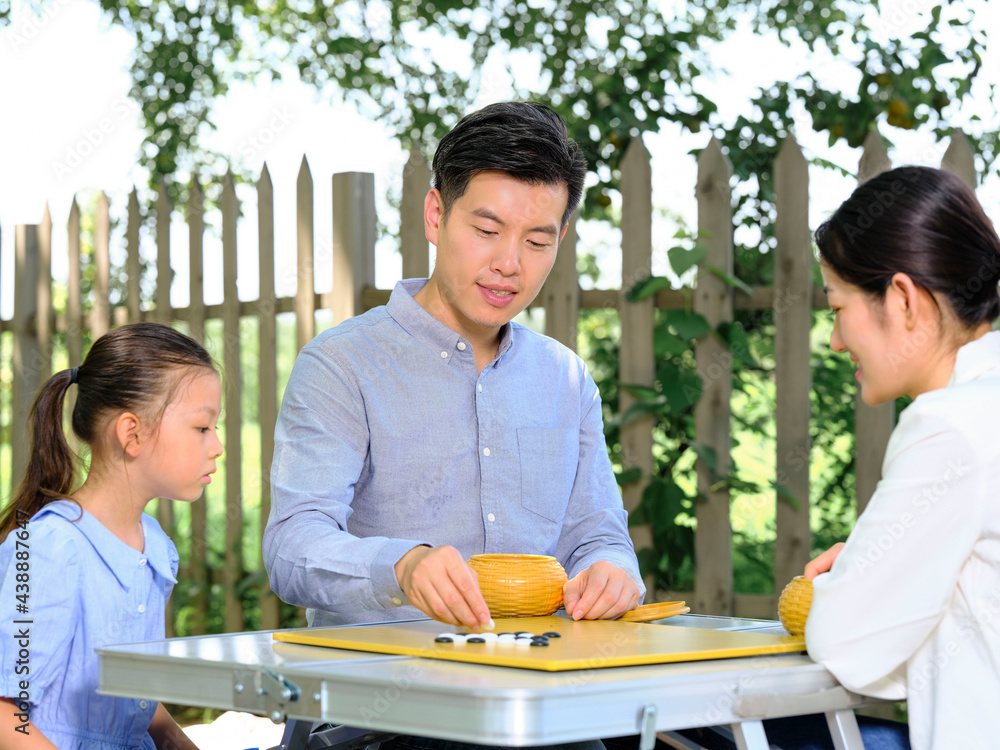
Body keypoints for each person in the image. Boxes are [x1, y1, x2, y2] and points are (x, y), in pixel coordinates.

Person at [263, 101, 644, 634]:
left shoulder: (566, 378)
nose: (510, 263)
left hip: (538, 685)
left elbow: (597, 535)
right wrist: (401, 567)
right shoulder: (341, 364)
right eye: (488, 230)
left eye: (536, 241)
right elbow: (291, 546)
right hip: (381, 696)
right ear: (436, 215)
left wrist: (613, 572)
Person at [801, 165, 1000, 750]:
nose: (836, 340)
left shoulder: (949, 427)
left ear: (903, 298)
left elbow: (847, 644)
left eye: (838, 307)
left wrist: (855, 577)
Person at [0, 323, 223, 750]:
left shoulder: (155, 545)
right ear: (132, 434)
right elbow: (6, 712)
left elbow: (135, 698)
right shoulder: (46, 548)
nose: (216, 446)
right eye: (202, 428)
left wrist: (178, 740)